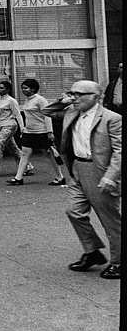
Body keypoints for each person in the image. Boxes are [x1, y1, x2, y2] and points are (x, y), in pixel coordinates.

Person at [41, 79, 121, 279]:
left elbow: (120, 152)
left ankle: (119, 262)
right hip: (77, 168)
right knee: (74, 211)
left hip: (100, 172)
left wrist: (111, 177)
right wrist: (63, 99)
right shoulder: (71, 112)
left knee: (110, 221)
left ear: (96, 97)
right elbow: (47, 111)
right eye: (72, 93)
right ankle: (92, 251)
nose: (74, 97)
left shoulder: (112, 118)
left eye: (79, 94)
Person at [6, 79, 66, 186]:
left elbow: (47, 115)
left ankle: (60, 177)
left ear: (33, 89)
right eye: (23, 88)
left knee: (49, 154)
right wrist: (23, 129)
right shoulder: (27, 100)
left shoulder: (41, 100)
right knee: (25, 154)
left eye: (26, 88)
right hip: (29, 132)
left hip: (41, 132)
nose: (23, 90)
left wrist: (50, 132)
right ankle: (18, 178)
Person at [0, 80, 28, 178]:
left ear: (7, 90)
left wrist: (22, 128)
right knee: (13, 148)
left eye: (2, 88)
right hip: (2, 126)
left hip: (10, 126)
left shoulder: (11, 101)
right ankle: (27, 167)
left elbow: (18, 115)